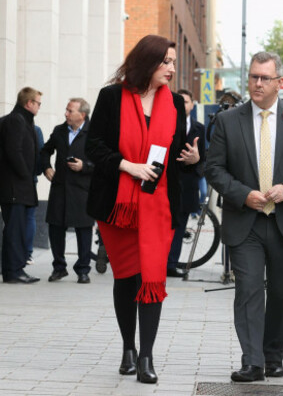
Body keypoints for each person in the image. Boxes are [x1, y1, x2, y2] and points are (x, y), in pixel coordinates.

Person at [205, 51, 283, 382]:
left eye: (264, 78)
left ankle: (273, 356)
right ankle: (253, 361)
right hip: (246, 221)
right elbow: (213, 168)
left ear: (279, 82)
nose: (257, 84)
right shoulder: (229, 120)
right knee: (247, 289)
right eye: (253, 77)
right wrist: (243, 194)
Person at [85, 35, 200, 384]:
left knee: (153, 276)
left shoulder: (175, 105)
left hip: (159, 205)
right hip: (117, 206)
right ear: (147, 62)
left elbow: (177, 154)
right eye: (166, 61)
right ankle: (128, 348)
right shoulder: (111, 97)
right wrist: (127, 166)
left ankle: (147, 355)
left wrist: (193, 159)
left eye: (173, 61)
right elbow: (94, 145)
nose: (172, 68)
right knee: (126, 278)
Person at [41, 98, 95, 284]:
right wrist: (46, 167)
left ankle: (83, 270)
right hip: (60, 188)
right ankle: (59, 267)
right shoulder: (59, 131)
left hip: (82, 190)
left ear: (82, 115)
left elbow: (103, 161)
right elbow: (44, 151)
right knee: (55, 228)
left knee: (83, 230)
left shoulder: (94, 132)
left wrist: (85, 166)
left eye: (70, 111)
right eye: (66, 110)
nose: (66, 113)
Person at [0, 87, 43, 284]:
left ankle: (17, 269)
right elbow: (14, 151)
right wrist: (26, 174)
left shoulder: (24, 120)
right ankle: (13, 272)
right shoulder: (16, 120)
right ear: (29, 103)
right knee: (14, 230)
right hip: (14, 187)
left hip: (20, 186)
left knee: (18, 228)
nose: (40, 107)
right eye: (38, 103)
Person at [166, 89, 205, 277]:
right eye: (179, 102)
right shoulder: (165, 124)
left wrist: (196, 162)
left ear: (192, 105)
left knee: (180, 227)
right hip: (166, 182)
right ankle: (158, 262)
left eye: (186, 102)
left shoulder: (199, 128)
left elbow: (205, 159)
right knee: (163, 226)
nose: (183, 105)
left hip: (187, 184)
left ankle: (171, 264)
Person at [25, 124, 45, 265]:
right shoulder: (35, 129)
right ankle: (27, 253)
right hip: (30, 180)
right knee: (28, 216)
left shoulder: (35, 129)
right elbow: (40, 155)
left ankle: (22, 253)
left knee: (16, 219)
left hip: (15, 181)